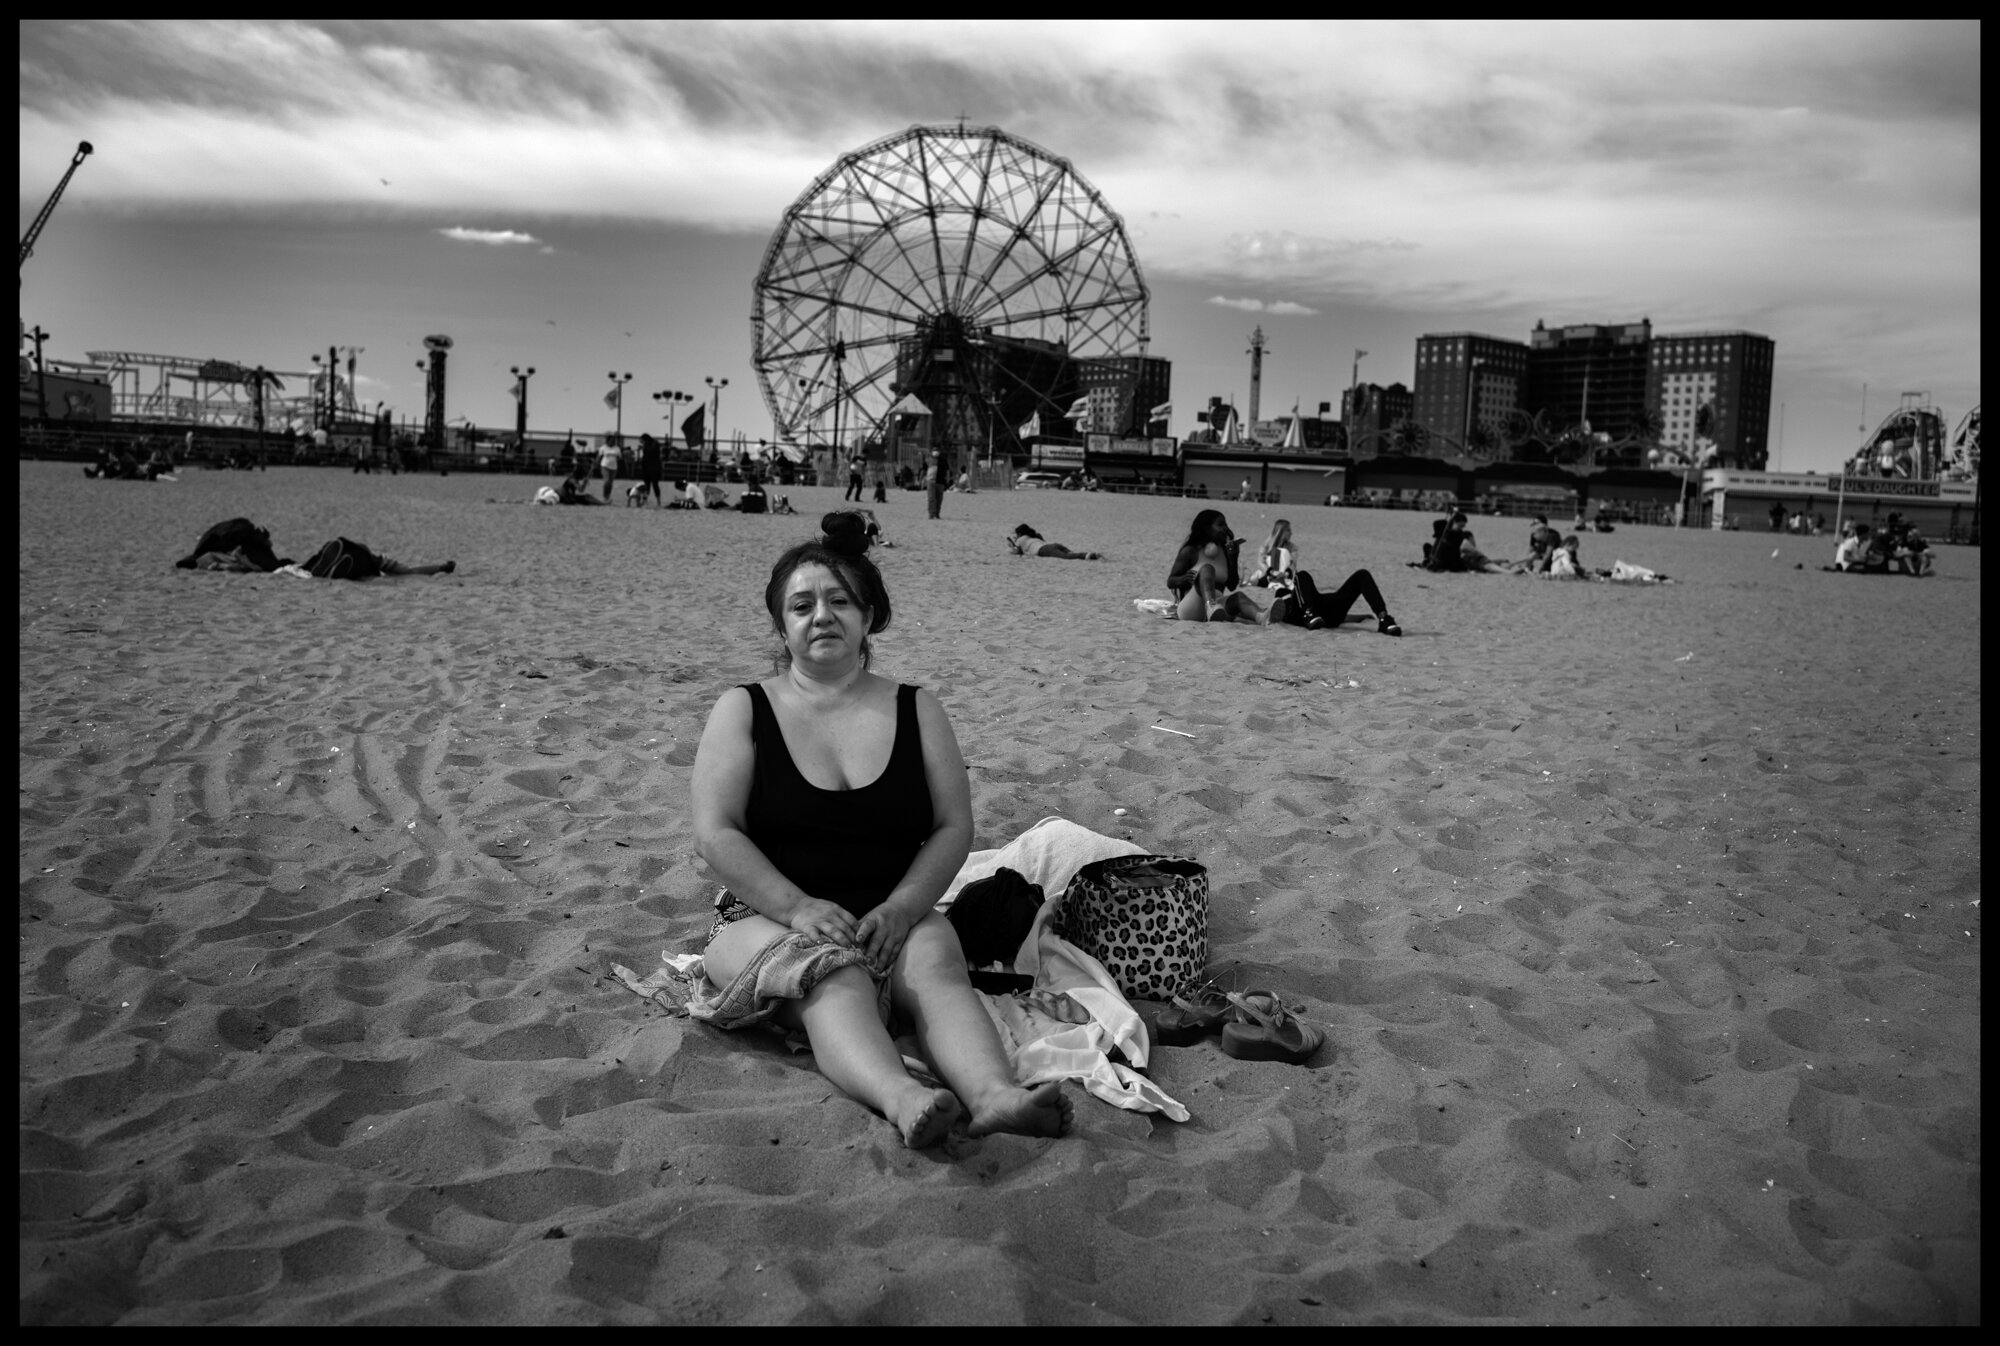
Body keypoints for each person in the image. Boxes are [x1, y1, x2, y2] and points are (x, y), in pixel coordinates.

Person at [690, 513, 1072, 1148]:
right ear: (782, 627)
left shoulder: (917, 708)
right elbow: (715, 834)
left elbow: (953, 826)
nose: (822, 616)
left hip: (890, 913)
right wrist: (798, 906)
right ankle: (904, 1099)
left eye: (840, 601)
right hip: (761, 918)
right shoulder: (743, 709)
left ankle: (994, 1096)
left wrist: (902, 907)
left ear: (869, 616)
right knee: (832, 975)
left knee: (938, 971)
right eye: (802, 605)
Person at [1253, 518, 1403, 635]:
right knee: (1301, 577)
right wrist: (1271, 573)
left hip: (1317, 610)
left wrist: (1360, 617)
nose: (1291, 533)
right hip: (1314, 612)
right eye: (1289, 531)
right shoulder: (1282, 604)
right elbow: (1262, 564)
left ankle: (1384, 618)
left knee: (1361, 575)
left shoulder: (1292, 551)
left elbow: (1293, 568)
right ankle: (1309, 614)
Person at [1166, 509, 1264, 623]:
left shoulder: (1224, 551)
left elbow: (1232, 586)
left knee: (1239, 597)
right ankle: (1210, 606)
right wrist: (1184, 579)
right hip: (1192, 608)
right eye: (1220, 524)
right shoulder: (1191, 551)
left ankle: (1262, 617)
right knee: (1207, 569)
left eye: (1225, 524)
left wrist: (1233, 557)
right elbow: (1170, 581)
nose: (1225, 528)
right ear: (1206, 528)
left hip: (1218, 609)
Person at [1006, 524, 1101, 560]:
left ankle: (1088, 555)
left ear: (1019, 533)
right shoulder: (1034, 536)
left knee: (1066, 557)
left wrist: (1011, 545)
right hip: (1053, 545)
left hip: (1043, 550)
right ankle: (1088, 555)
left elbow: (1016, 552)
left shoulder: (1020, 539)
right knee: (1071, 554)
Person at [638, 433, 663, 507]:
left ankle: (658, 501)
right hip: (647, 468)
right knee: (647, 486)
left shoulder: (654, 444)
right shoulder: (648, 444)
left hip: (654, 468)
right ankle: (645, 500)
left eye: (642, 441)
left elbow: (651, 453)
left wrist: (643, 447)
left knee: (655, 485)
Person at [926, 452, 946, 519]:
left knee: (939, 498)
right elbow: (923, 470)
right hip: (931, 481)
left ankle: (937, 513)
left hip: (940, 482)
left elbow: (947, 470)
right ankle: (931, 513)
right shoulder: (929, 460)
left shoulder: (943, 460)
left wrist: (948, 479)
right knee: (931, 498)